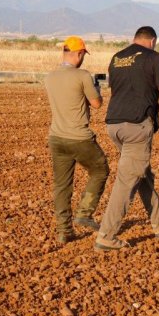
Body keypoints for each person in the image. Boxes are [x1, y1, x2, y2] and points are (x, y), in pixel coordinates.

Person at [95, 26, 159, 251]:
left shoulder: (117, 58)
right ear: (153, 41)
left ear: (134, 39)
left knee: (141, 174)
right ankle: (106, 236)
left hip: (114, 125)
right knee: (127, 179)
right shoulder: (154, 57)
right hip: (137, 126)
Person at [44, 36, 109, 243]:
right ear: (79, 54)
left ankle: (65, 231)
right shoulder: (83, 76)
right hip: (79, 138)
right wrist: (96, 88)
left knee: (62, 186)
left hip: (56, 137)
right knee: (100, 170)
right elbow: (96, 104)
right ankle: (84, 213)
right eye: (83, 55)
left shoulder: (50, 77)